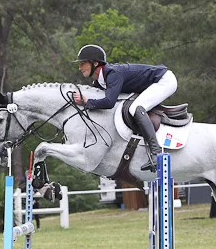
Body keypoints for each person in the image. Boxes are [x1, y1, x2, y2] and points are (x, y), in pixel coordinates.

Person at [71, 44, 178, 172]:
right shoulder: (101, 80)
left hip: (164, 81)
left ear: (95, 63)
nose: (79, 67)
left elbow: (109, 102)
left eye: (83, 63)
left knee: (136, 108)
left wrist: (87, 101)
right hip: (154, 83)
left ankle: (156, 154)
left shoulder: (113, 74)